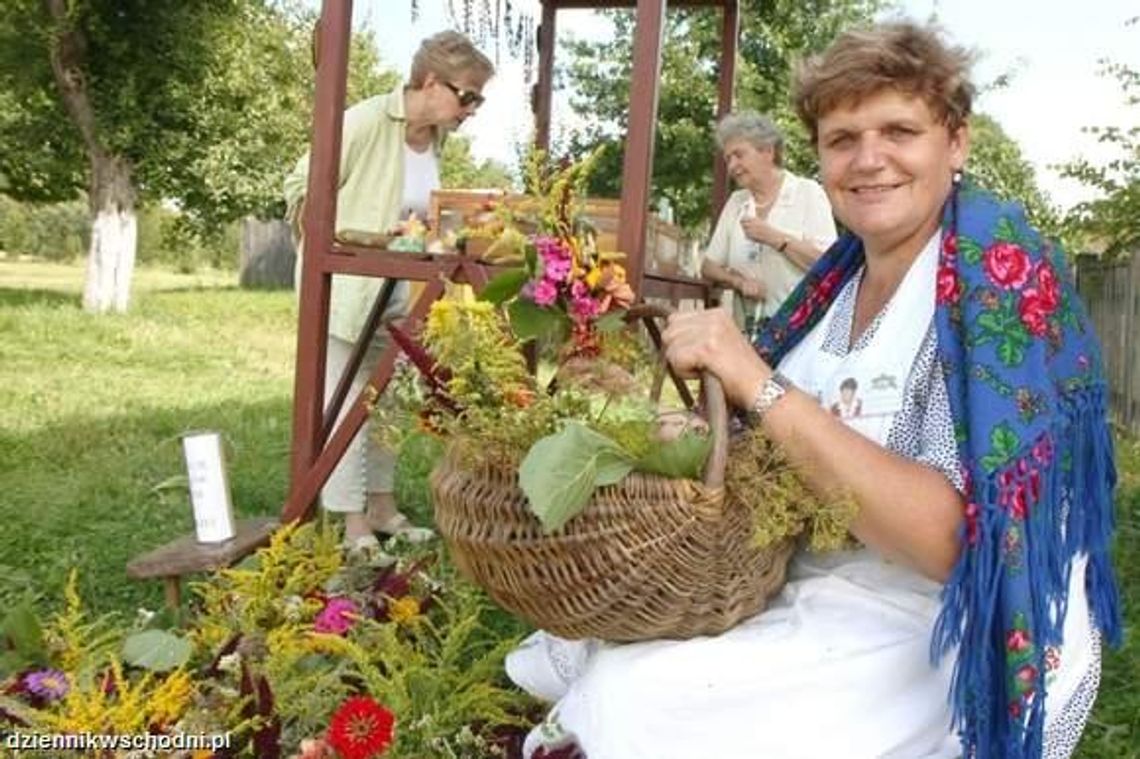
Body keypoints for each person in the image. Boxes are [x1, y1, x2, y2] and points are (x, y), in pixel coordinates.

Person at [507, 21, 1120, 759]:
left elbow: (954, 542)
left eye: (899, 130)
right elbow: (773, 451)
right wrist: (672, 433)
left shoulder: (1002, 290)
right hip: (809, 574)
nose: (869, 160)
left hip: (938, 621)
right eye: (841, 138)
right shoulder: (835, 287)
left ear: (955, 142)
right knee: (600, 645)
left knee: (641, 703)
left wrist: (760, 387)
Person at [283, 31, 494, 548]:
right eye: (467, 95)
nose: (472, 109)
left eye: (478, 99)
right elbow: (299, 189)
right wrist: (352, 238)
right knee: (349, 400)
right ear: (428, 82)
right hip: (351, 289)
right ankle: (350, 520)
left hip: (402, 295)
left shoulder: (434, 138)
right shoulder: (363, 121)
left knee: (392, 402)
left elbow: (417, 219)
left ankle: (380, 506)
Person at [700, 111, 838, 339]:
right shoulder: (737, 202)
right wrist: (739, 281)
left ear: (767, 151)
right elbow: (709, 266)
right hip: (748, 336)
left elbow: (828, 267)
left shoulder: (807, 192)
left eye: (739, 155)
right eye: (728, 159)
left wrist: (776, 238)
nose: (732, 166)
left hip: (800, 334)